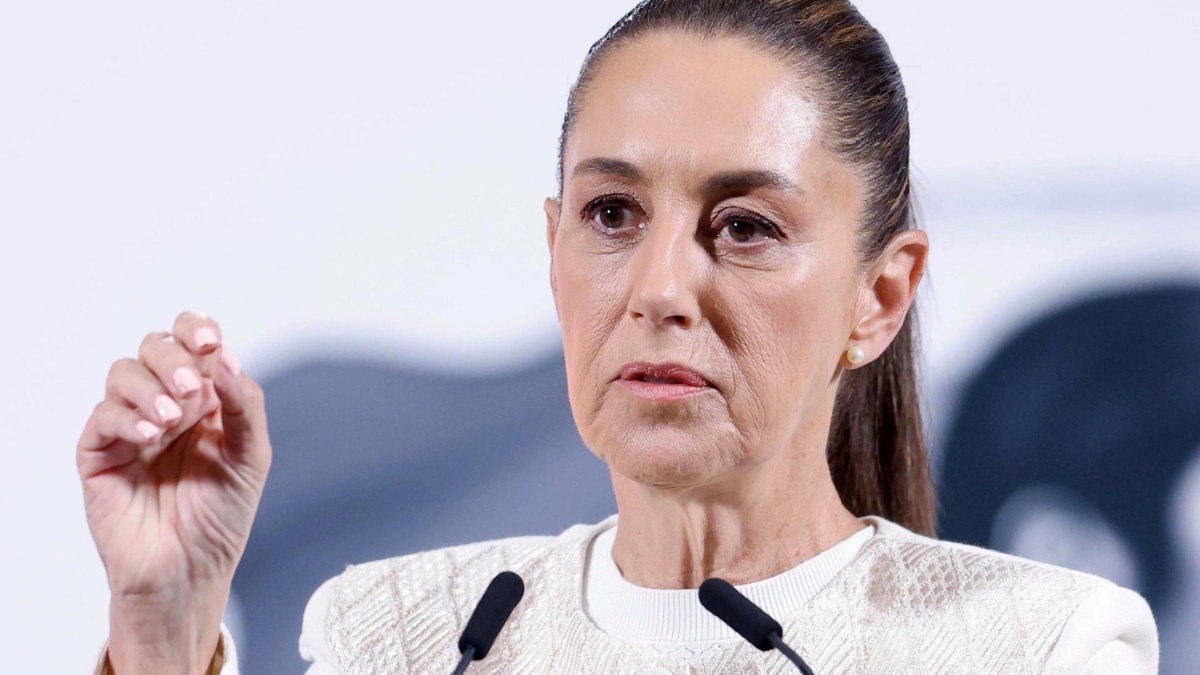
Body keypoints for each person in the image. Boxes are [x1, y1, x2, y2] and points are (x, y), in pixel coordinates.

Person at [76, 1, 1158, 673]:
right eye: (612, 216)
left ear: (880, 296)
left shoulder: (1040, 648)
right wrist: (163, 623)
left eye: (744, 227)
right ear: (554, 250)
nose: (658, 289)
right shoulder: (401, 635)